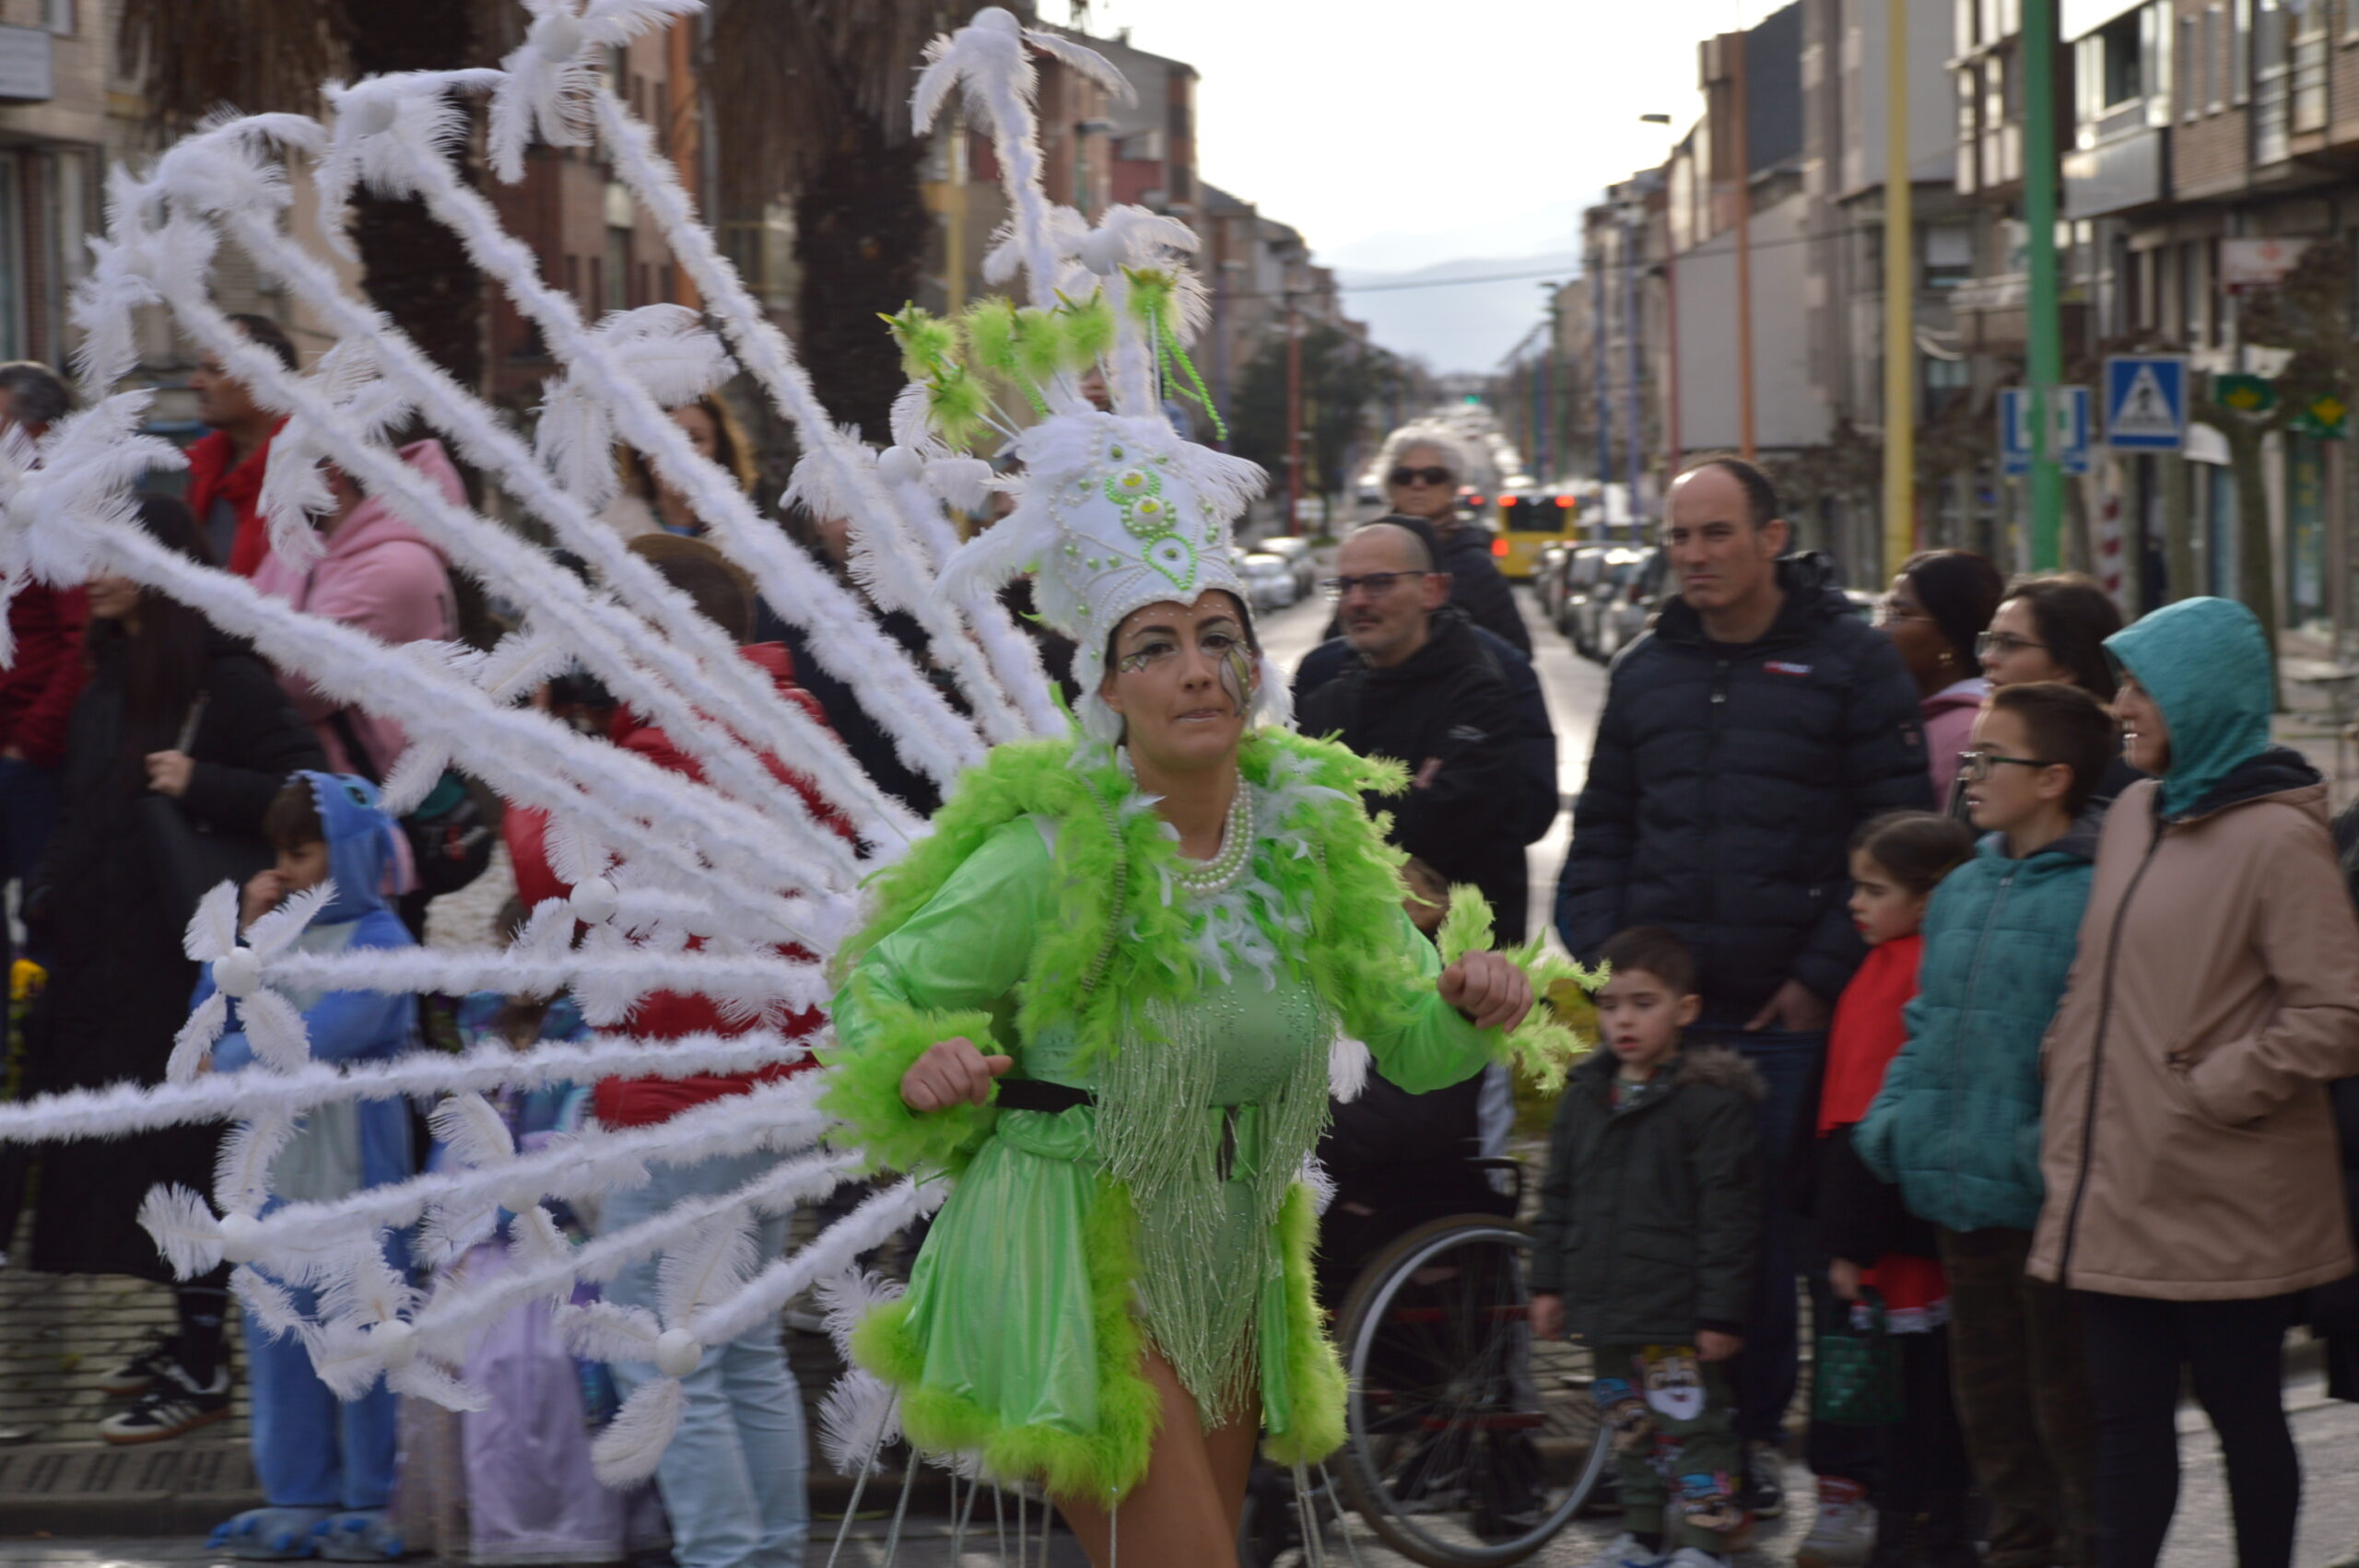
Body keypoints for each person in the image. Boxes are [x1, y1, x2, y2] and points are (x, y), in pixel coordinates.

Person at [825, 404, 1552, 1567]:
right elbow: (878, 980)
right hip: (1069, 1244)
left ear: (1255, 664)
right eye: (1153, 646)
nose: (1198, 670)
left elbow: (1410, 1037)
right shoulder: (1056, 852)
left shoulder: (1310, 841)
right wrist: (915, 1051)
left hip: (1226, 1242)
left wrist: (1469, 1003)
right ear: (1106, 689)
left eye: (1218, 637)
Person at [1556, 453, 1931, 1525]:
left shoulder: (1850, 662)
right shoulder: (1644, 669)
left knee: (1799, 1257)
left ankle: (1857, 1474)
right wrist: (1608, 962)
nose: (1692, 556)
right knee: (1692, 1253)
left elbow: (1893, 834)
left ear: (1771, 538)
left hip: (1791, 1022)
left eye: (1714, 533)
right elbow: (1604, 831)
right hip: (1675, 1021)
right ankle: (1725, 1457)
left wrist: (1820, 976)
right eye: (1679, 537)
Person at [510, 534, 836, 1568]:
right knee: (741, 1348)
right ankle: (772, 1552)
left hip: (682, 1092)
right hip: (780, 1083)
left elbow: (549, 874)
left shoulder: (662, 754)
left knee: (668, 1349)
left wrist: (534, 759)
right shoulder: (793, 727)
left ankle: (732, 1557)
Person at [2030, 596, 2359, 1568]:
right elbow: (2104, 973)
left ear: (2198, 696)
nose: (2121, 704)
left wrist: (2211, 1087)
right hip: (2118, 1182)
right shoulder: (2136, 810)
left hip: (2226, 1196)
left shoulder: (2277, 841)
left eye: (2140, 686)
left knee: (2242, 1418)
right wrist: (2064, 1056)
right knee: (2127, 1430)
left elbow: (2335, 1015)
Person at [18, 495, 324, 1445]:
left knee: (185, 1158)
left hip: (182, 967)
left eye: (114, 555)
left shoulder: (223, 679)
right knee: (134, 1161)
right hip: (107, 959)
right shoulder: (111, 669)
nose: (94, 572)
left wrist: (205, 784)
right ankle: (182, 1333)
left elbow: (307, 792)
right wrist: (44, 897)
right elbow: (83, 800)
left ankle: (202, 1362)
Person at [1856, 682, 2116, 1568]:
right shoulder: (1964, 885)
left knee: (2070, 1423)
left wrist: (2041, 1153)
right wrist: (1898, 1122)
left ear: (2053, 779)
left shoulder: (2102, 891)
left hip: (2050, 1207)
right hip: (1956, 1194)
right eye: (1969, 756)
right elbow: (1927, 1019)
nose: (1968, 771)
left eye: (1989, 758)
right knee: (1992, 1423)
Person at [199, 774, 418, 1562]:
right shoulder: (276, 939)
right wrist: (242, 942)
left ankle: (372, 1496)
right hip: (275, 1180)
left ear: (349, 852)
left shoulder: (386, 944)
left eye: (302, 851)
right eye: (279, 853)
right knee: (279, 1335)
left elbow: (310, 1042)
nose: (284, 869)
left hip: (360, 1181)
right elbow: (205, 1031)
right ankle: (297, 1492)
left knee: (363, 1334)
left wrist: (233, 1059)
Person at [1529, 926, 1761, 1568]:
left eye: (1643, 1003)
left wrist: (1720, 1313)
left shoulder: (1709, 1105)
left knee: (1693, 1426)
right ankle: (1642, 1533)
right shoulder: (1584, 1099)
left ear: (1684, 1010)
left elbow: (1728, 1217)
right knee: (1627, 1427)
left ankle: (1706, 1541)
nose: (1623, 1020)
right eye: (1609, 1006)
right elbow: (1557, 1198)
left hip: (1675, 1313)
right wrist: (1548, 1287)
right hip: (1606, 1307)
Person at [1810, 811, 1977, 1568]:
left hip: (1893, 1237)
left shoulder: (1905, 970)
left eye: (1875, 889)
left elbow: (1862, 1120)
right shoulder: (1887, 962)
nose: (1856, 903)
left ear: (1931, 896)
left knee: (1918, 1411)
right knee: (1921, 1404)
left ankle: (1921, 1537)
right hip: (1900, 1229)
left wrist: (1847, 1241)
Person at [1293, 518, 1531, 938]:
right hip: (1348, 964)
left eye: (1378, 583)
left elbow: (1442, 825)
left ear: (1432, 590)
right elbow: (1293, 818)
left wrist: (1345, 811)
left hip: (1460, 971)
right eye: (1345, 586)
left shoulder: (1481, 693)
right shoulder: (1325, 696)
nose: (1357, 601)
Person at [250, 439, 461, 778]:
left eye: (283, 472)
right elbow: (234, 623)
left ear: (332, 476)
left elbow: (302, 686)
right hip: (323, 781)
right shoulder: (303, 548)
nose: (271, 489)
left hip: (380, 798)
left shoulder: (395, 566)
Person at [0, 363, 90, 971]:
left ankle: (44, 1053)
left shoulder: (59, 511)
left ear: (38, 431)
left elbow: (82, 640)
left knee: (45, 909)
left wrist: (32, 743)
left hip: (31, 757)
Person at [1975, 573, 2141, 811]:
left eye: (2010, 644)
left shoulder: (2122, 767)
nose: (1987, 658)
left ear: (2066, 666)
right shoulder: (1982, 748)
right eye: (1989, 641)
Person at [1366, 424, 1530, 655]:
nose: (1418, 484)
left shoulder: (1476, 567)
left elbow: (1517, 655)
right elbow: (1338, 646)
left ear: (1452, 487)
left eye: (1433, 476)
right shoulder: (1365, 554)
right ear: (1390, 486)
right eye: (1404, 476)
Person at [1876, 550, 2005, 803]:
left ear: (1950, 637)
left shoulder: (1970, 732)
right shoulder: (1909, 713)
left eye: (1900, 615)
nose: (1880, 628)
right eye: (1882, 613)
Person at [183, 313, 298, 576]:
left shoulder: (317, 474)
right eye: (200, 368)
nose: (195, 383)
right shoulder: (205, 468)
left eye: (214, 370)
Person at [599, 395, 760, 541]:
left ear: (720, 451)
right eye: (665, 438)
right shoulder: (606, 541)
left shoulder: (749, 545)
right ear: (642, 451)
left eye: (695, 439)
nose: (680, 451)